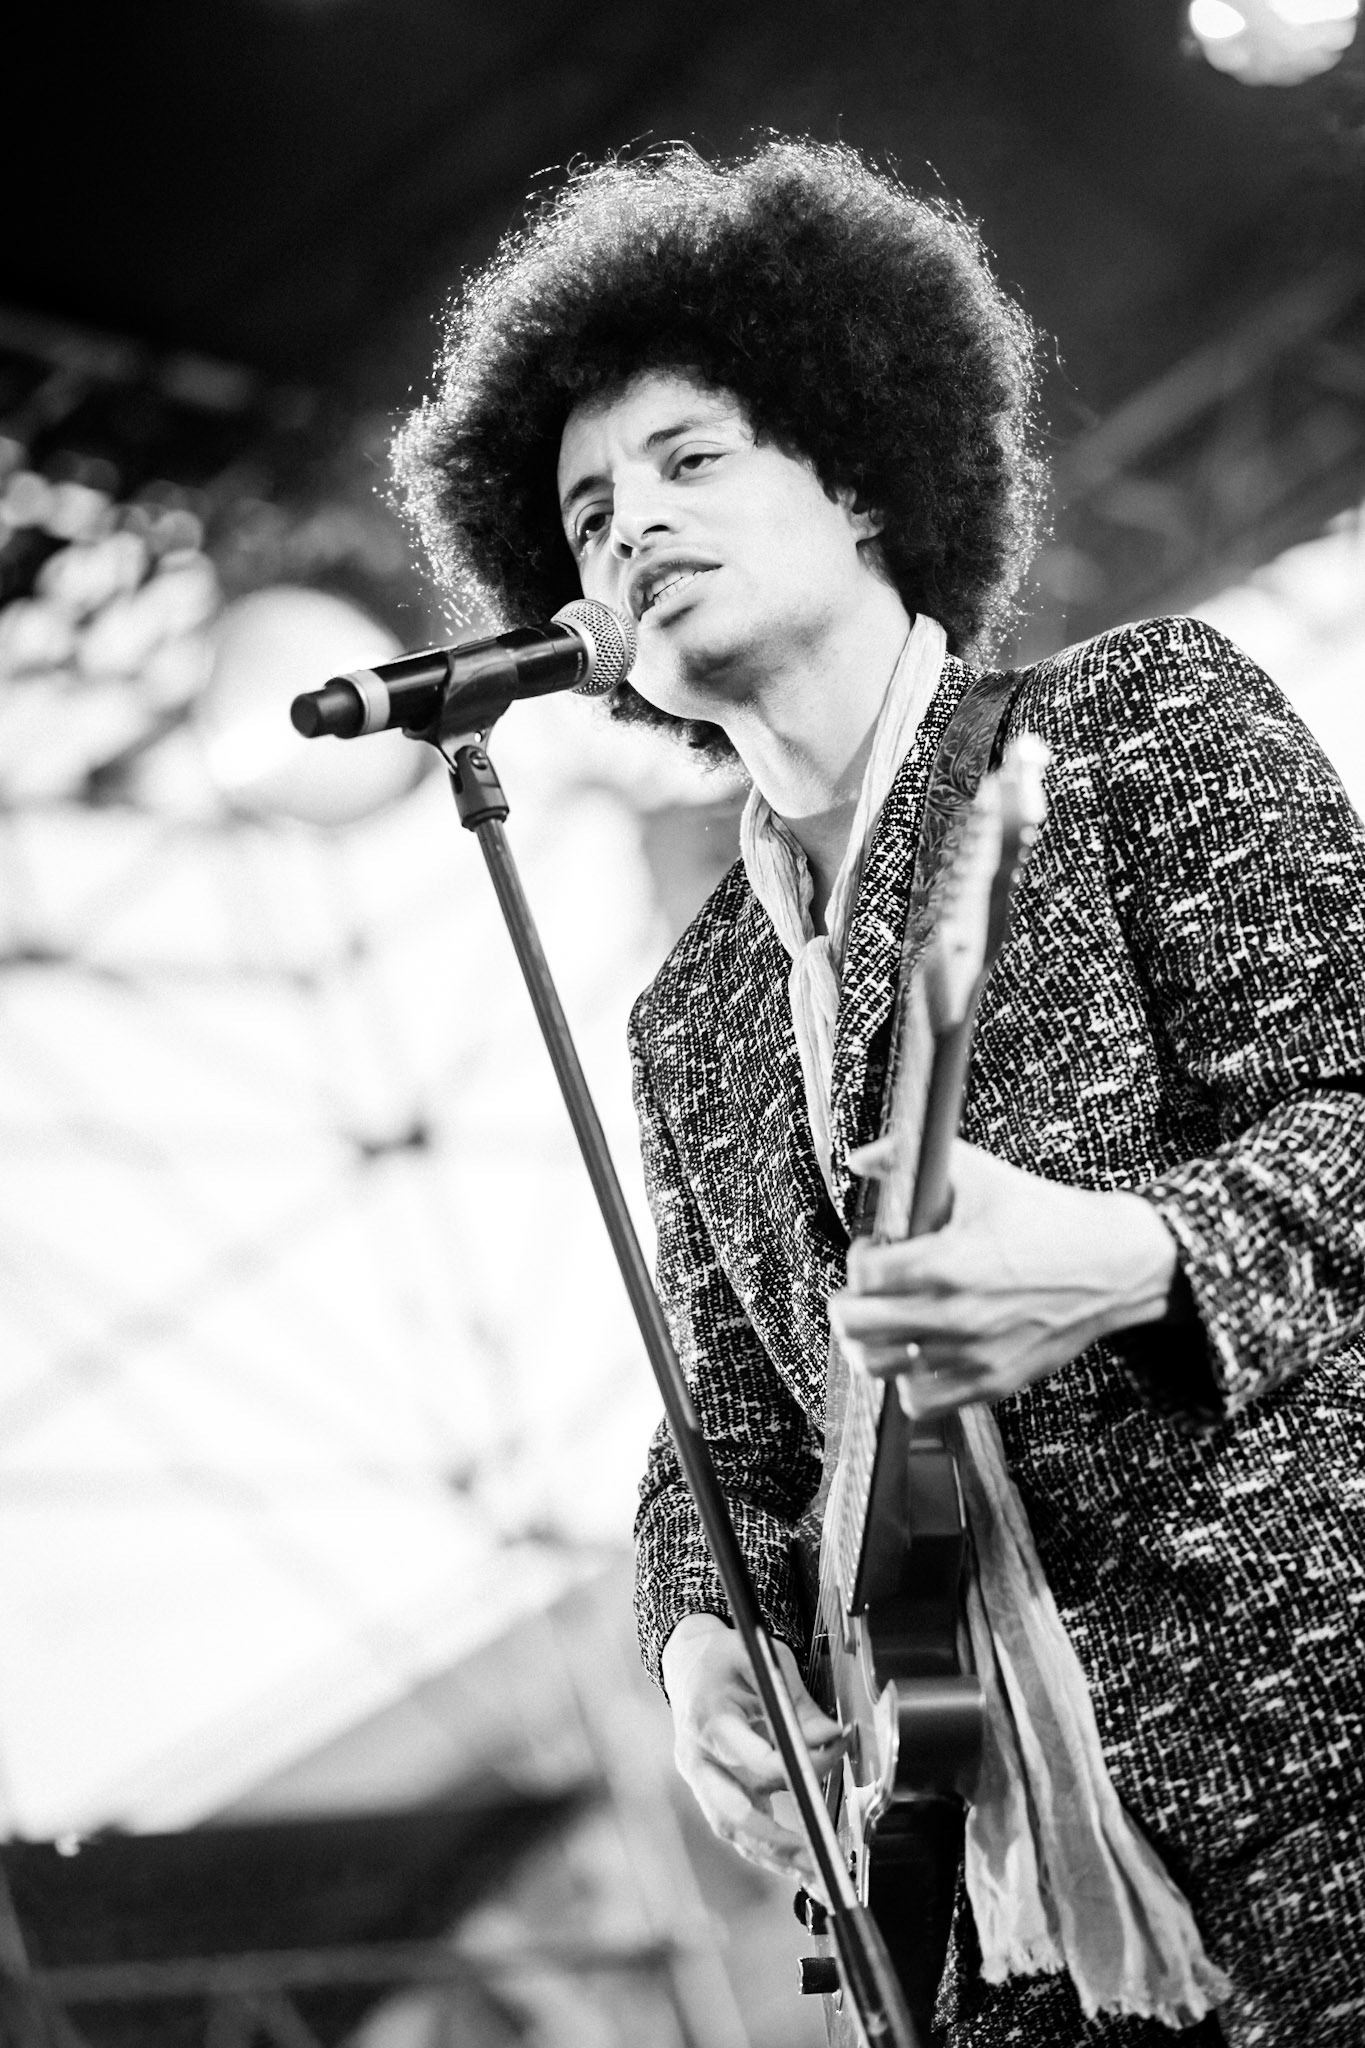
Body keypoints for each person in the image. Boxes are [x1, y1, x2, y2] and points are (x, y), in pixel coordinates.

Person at [395, 139, 1365, 2045]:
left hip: (1314, 1760)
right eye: (585, 518)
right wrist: (690, 1633)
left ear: (851, 472)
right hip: (985, 1921)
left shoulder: (1131, 723)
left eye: (691, 460)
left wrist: (1143, 1255)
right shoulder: (693, 1020)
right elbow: (725, 1435)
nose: (630, 530)